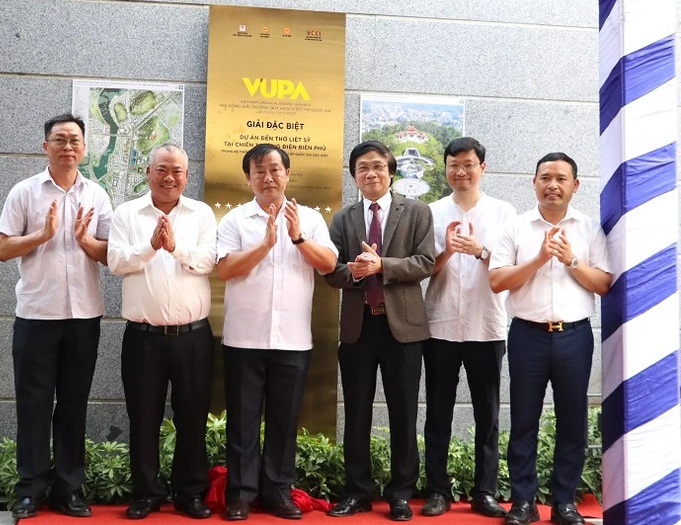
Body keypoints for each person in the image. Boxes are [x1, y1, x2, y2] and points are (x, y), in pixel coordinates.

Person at [0, 113, 112, 520]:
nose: (67, 146)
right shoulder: (24, 192)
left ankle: (68, 489)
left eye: (74, 140)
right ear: (45, 146)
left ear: (84, 148)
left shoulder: (97, 194)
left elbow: (110, 255)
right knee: (33, 404)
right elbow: (3, 249)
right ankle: (30, 490)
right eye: (59, 139)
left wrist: (85, 241)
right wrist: (42, 235)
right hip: (37, 315)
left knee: (74, 404)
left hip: (84, 317)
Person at [216, 143, 337, 521]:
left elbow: (329, 264)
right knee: (242, 421)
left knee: (284, 422)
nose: (267, 177)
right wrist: (266, 245)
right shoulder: (235, 220)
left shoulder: (309, 218)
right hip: (244, 338)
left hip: (292, 339)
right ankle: (240, 494)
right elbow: (225, 270)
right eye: (259, 171)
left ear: (287, 174)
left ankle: (278, 492)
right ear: (248, 178)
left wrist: (297, 237)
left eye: (274, 170)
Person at [489, 153, 611, 525]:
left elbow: (604, 284)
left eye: (561, 178)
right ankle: (523, 502)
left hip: (574, 336)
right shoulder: (516, 227)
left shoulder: (589, 228)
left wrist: (571, 260)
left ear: (575, 185)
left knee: (572, 421)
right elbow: (497, 281)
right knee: (524, 419)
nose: (552, 185)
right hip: (527, 335)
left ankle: (564, 503)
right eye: (545, 177)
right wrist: (540, 258)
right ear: (534, 182)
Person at [324, 140, 434, 522]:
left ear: (390, 172)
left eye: (377, 166)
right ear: (354, 176)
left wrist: (381, 265)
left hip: (402, 328)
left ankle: (400, 493)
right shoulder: (343, 218)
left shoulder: (417, 212)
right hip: (359, 328)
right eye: (362, 168)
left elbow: (425, 262)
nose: (370, 173)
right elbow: (331, 271)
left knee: (403, 413)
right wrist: (353, 272)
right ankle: (357, 491)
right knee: (356, 413)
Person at [107, 144, 216, 520]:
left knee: (193, 418)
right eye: (162, 170)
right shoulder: (127, 213)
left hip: (194, 337)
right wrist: (151, 246)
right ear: (148, 172)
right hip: (144, 338)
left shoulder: (201, 213)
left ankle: (190, 493)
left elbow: (207, 261)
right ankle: (146, 493)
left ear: (187, 175)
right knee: (143, 418)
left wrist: (175, 247)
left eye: (177, 171)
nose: (169, 177)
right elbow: (116, 262)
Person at [421, 138, 515, 518]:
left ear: (482, 168)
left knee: (487, 413)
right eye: (454, 165)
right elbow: (421, 269)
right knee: (437, 412)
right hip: (440, 324)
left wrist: (480, 250)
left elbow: (510, 268)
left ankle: (485, 491)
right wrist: (446, 251)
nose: (460, 172)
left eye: (468, 164)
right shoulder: (430, 212)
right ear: (445, 168)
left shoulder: (504, 212)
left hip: (485, 325)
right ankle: (437, 490)